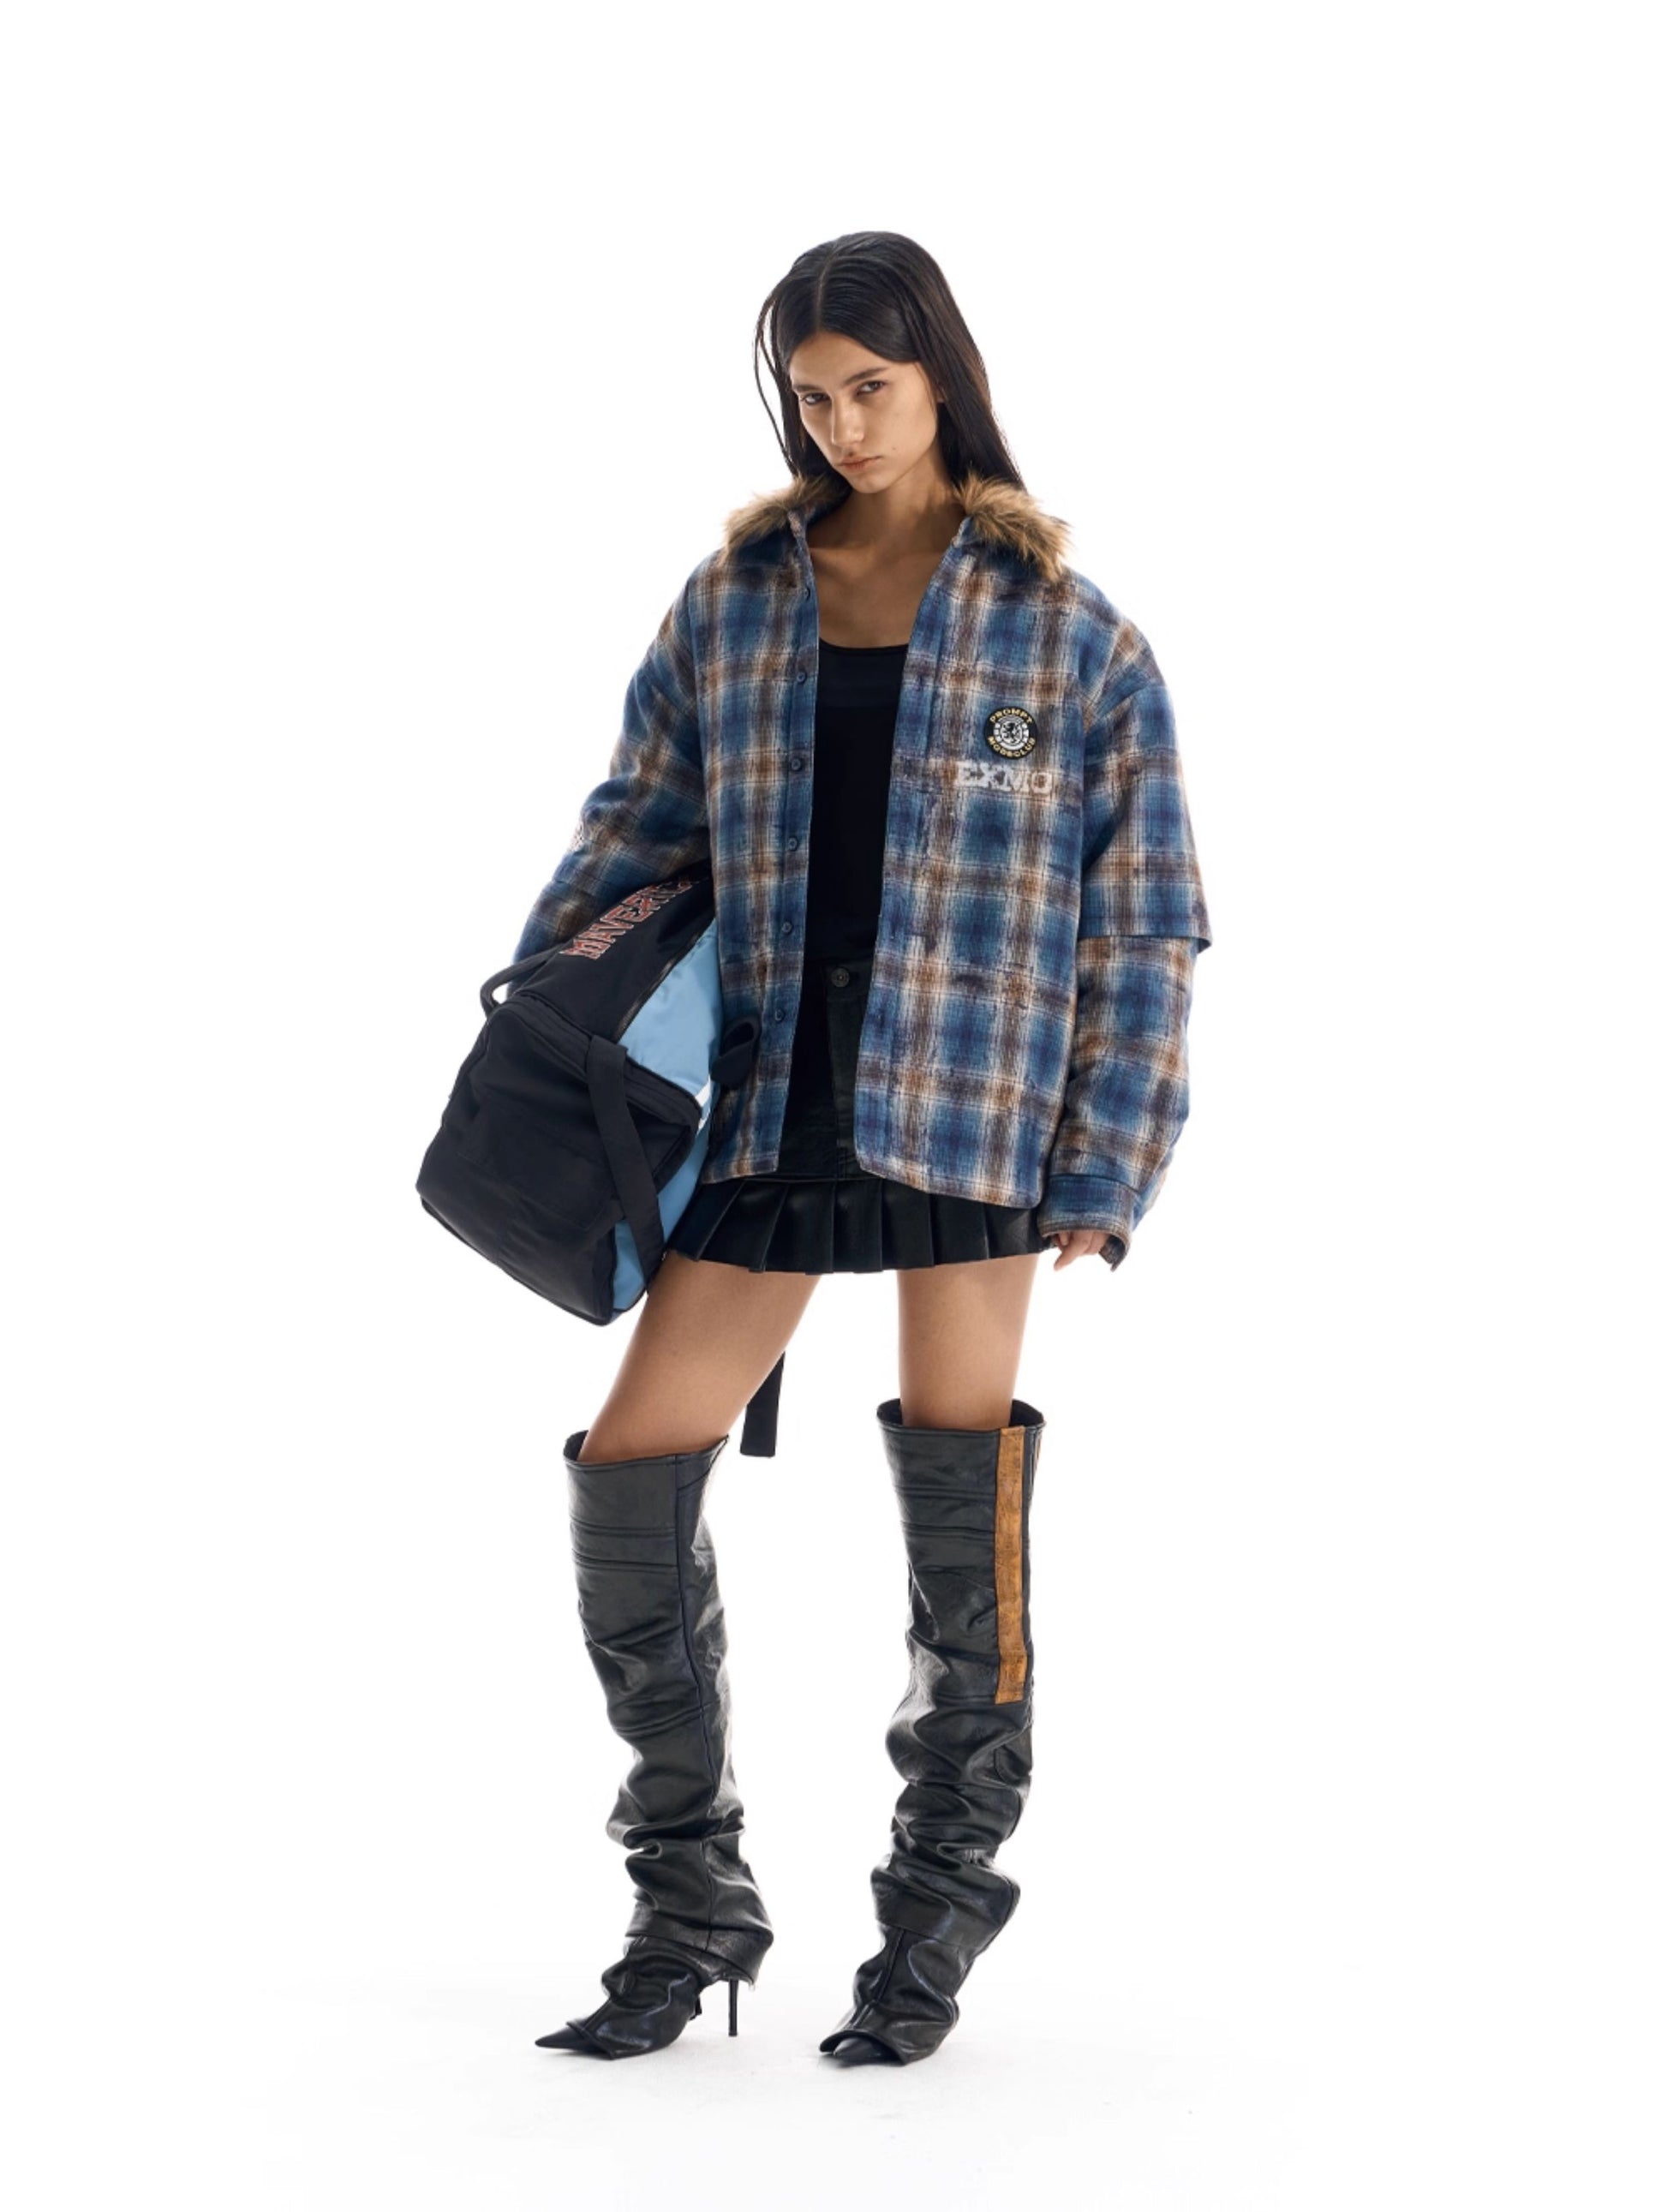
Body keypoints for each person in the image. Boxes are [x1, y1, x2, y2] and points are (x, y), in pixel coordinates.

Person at [521, 231, 1213, 2066]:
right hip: (762, 1096)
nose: (843, 425)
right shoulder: (737, 596)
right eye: (813, 396)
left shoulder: (1066, 628)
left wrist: (1107, 1160)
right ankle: (688, 1900)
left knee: (963, 1511)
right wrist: (544, 1036)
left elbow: (1144, 917)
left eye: (872, 388)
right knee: (632, 1467)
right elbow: (630, 832)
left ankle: (937, 1909)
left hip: (970, 1100)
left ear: (941, 378)